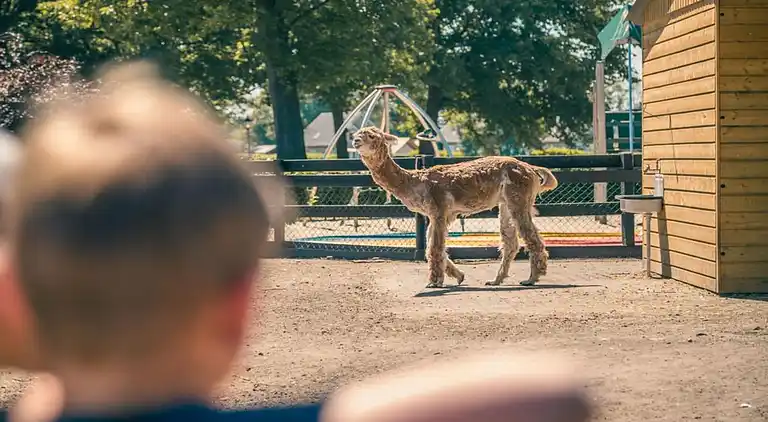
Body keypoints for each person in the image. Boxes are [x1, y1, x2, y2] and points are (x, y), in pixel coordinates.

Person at [2, 60, 592, 422]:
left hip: (494, 181)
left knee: (515, 223)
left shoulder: (430, 178)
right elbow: (549, 393)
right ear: (239, 307)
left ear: (14, 299)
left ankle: (511, 263)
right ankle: (463, 268)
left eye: (369, 143)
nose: (364, 149)